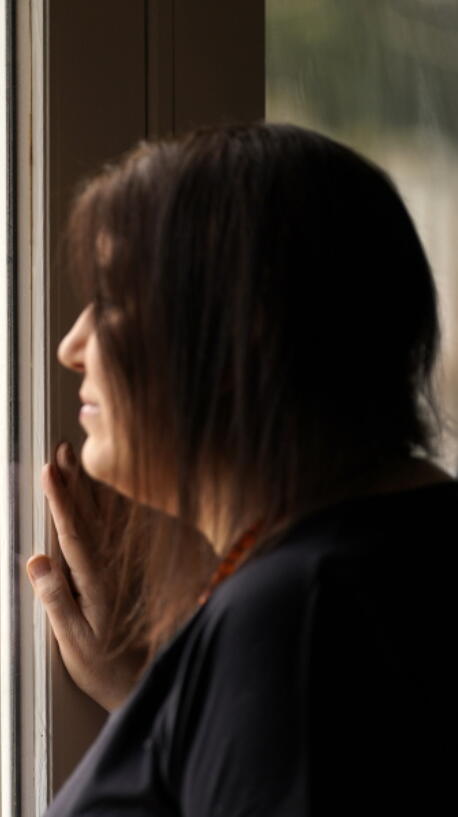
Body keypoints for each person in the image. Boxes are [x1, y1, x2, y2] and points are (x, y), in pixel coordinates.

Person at [24, 123, 456, 815]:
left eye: (109, 301)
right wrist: (161, 698)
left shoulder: (298, 620)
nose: (72, 345)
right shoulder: (395, 551)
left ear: (237, 338)